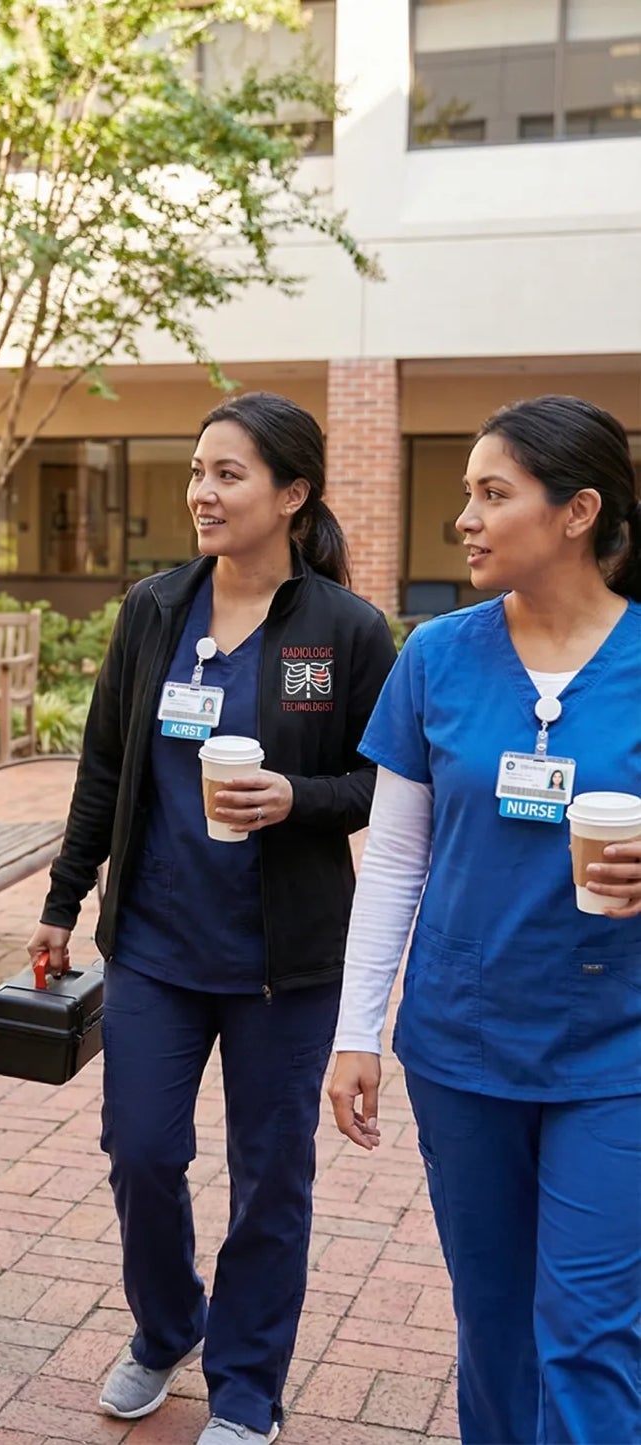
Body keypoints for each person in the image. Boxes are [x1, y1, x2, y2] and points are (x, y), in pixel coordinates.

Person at [29, 393, 397, 1445]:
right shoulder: (154, 608)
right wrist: (63, 900)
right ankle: (164, 1325)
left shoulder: (342, 629)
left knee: (269, 1174)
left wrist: (296, 797)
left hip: (284, 959)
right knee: (139, 1149)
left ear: (291, 494)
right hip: (152, 942)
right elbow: (104, 764)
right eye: (196, 469)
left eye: (228, 473)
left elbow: (380, 783)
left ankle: (244, 1383)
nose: (202, 489)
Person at [329, 395, 641, 1445]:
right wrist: (352, 1029)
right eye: (465, 492)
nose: (462, 516)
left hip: (616, 1051)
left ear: (575, 511)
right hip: (462, 1045)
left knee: (591, 1332)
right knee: (494, 1323)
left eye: (490, 493)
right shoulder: (435, 656)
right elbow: (395, 860)